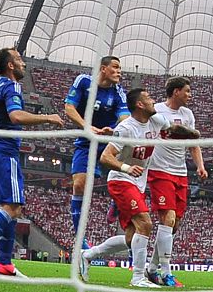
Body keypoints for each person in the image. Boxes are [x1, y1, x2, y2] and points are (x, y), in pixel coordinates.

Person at [78, 88, 199, 288]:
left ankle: (88, 255)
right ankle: (138, 278)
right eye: (148, 98)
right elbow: (105, 157)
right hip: (121, 180)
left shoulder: (156, 120)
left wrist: (193, 134)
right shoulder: (126, 128)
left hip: (138, 183)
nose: (153, 100)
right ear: (140, 105)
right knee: (146, 224)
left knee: (131, 238)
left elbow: (173, 129)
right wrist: (126, 167)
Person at [0, 48, 64, 276]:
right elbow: (16, 116)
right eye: (19, 60)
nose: (24, 64)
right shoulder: (12, 86)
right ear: (10, 65)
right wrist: (48, 118)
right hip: (4, 152)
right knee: (12, 208)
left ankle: (5, 263)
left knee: (12, 208)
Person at [144, 77, 207, 288]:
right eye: (187, 91)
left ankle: (152, 268)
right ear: (176, 91)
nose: (190, 95)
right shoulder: (156, 110)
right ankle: (166, 273)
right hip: (159, 170)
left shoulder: (188, 114)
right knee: (168, 219)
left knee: (174, 224)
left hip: (180, 172)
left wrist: (200, 166)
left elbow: (193, 144)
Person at [65, 56, 129, 248]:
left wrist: (114, 130)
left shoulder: (118, 91)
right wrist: (87, 127)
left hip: (109, 140)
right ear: (103, 68)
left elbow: (125, 117)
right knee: (79, 185)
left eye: (120, 68)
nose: (119, 72)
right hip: (87, 139)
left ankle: (117, 202)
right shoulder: (84, 81)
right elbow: (69, 107)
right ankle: (81, 239)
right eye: (115, 67)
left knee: (131, 164)